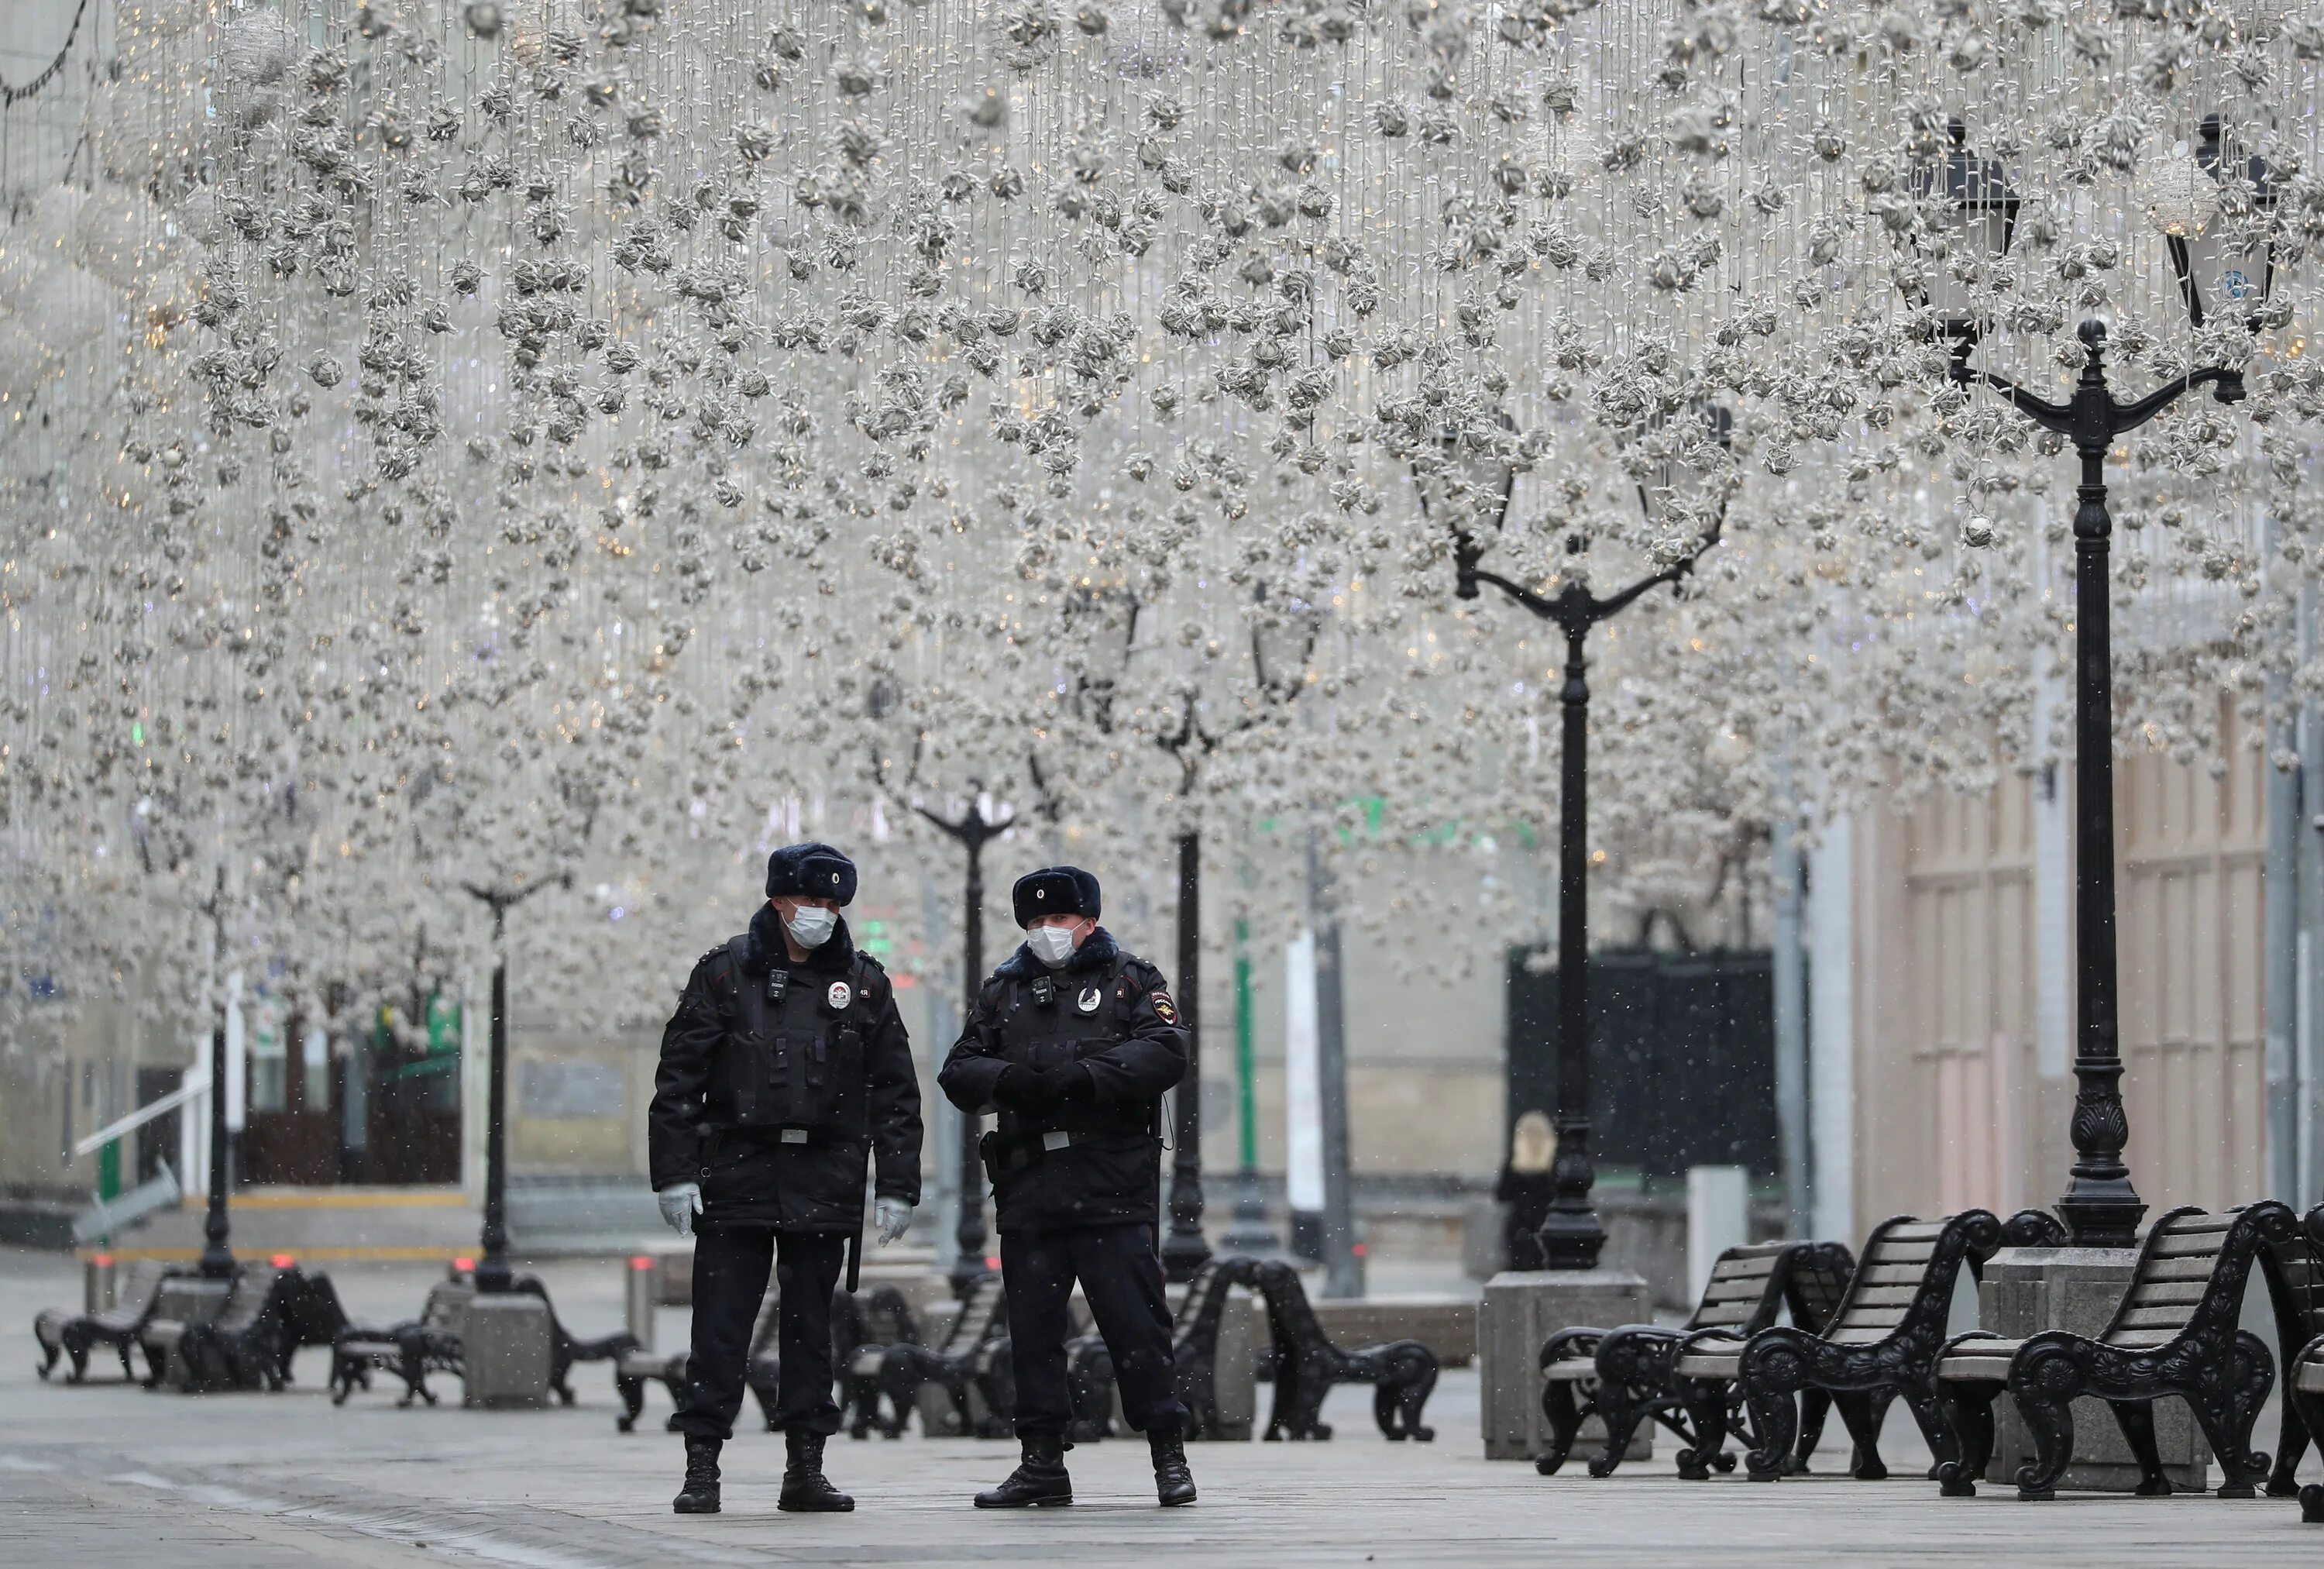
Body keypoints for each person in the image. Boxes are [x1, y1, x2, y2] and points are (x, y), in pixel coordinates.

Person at [648, 841, 923, 1516]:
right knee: (720, 1327)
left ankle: (806, 1467)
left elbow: (895, 1092)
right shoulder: (723, 976)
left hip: (824, 1175)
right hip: (739, 1170)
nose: (822, 914)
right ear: (778, 900)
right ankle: (703, 1465)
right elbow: (678, 1082)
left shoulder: (863, 983)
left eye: (833, 904)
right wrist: (675, 1175)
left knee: (811, 1330)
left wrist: (896, 1184)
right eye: (811, 901)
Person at [938, 865, 1195, 1509]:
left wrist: (1087, 1077)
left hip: (1110, 1184)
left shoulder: (1131, 979)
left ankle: (1168, 1453)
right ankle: (1041, 1462)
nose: (1047, 932)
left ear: (1090, 922)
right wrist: (1014, 1080)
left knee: (1137, 1327)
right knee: (1033, 1333)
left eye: (1060, 920)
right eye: (1036, 922)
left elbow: (1166, 1048)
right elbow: (960, 1068)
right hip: (1031, 1186)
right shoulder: (1005, 991)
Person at [1496, 1109, 1558, 1271]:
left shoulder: (1514, 1163)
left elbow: (1502, 1195)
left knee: (1519, 1271)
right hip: (1548, 1225)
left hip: (1520, 1226)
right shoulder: (1555, 1163)